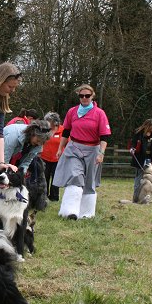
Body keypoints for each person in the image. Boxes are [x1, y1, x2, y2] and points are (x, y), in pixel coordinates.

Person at [53, 84, 111, 220]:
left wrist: (101, 153)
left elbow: (105, 136)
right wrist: (60, 148)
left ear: (92, 96)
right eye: (81, 96)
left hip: (93, 149)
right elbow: (66, 131)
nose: (84, 98)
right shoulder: (72, 112)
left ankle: (86, 213)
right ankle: (70, 211)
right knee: (75, 176)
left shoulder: (99, 113)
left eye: (87, 96)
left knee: (89, 181)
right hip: (74, 147)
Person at [0, 120, 52, 193]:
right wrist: (7, 173)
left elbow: (27, 161)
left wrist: (21, 174)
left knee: (11, 190)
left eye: (42, 142)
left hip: (10, 159)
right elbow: (4, 160)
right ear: (32, 133)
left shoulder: (38, 144)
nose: (39, 143)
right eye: (38, 140)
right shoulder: (13, 135)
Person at [129, 118, 152, 202]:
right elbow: (133, 143)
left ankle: (146, 198)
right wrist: (132, 149)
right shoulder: (138, 133)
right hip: (140, 158)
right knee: (139, 179)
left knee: (150, 180)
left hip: (150, 159)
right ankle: (135, 198)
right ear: (148, 126)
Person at [40, 112, 64, 202]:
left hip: (58, 158)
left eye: (49, 121)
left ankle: (54, 196)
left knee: (56, 177)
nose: (47, 122)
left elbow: (68, 142)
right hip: (44, 157)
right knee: (44, 176)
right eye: (47, 121)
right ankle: (44, 196)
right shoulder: (44, 130)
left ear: (55, 122)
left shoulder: (63, 130)